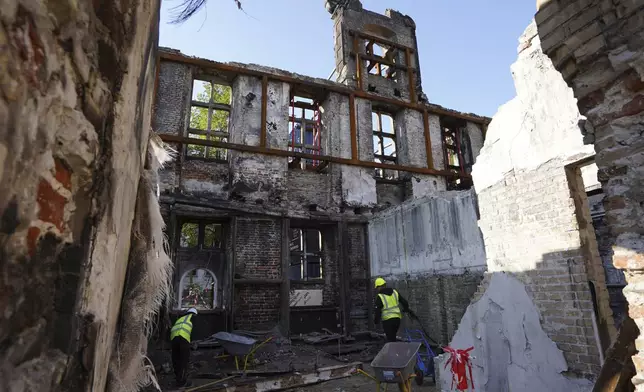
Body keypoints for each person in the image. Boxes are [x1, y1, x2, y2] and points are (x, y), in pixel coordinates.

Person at [374, 277, 411, 342]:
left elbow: (378, 310)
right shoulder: (394, 292)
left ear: (379, 287)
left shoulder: (380, 296)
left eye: (377, 287)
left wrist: (376, 321)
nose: (377, 289)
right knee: (393, 337)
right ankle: (395, 350)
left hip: (387, 321)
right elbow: (405, 302)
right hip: (397, 320)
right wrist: (406, 309)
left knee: (390, 340)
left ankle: (394, 351)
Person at [170, 307, 198, 387]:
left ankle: (178, 379)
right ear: (195, 313)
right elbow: (194, 331)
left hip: (174, 338)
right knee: (184, 360)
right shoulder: (193, 317)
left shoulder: (181, 318)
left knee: (176, 359)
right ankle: (182, 382)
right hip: (183, 338)